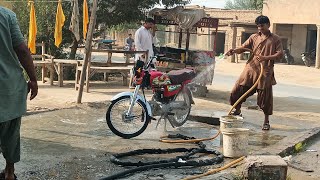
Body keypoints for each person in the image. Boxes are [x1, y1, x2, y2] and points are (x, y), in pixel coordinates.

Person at [226, 15, 283, 131]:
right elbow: (243, 47)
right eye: (258, 26)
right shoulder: (254, 37)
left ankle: (266, 122)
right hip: (250, 70)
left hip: (265, 72)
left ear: (268, 25)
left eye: (262, 26)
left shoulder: (275, 39)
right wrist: (234, 51)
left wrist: (265, 57)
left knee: (265, 98)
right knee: (237, 91)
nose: (260, 28)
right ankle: (237, 111)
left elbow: (279, 54)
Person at [0, 6, 38, 180]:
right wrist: (33, 79)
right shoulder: (7, 15)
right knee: (11, 133)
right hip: (9, 88)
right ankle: (9, 173)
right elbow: (22, 50)